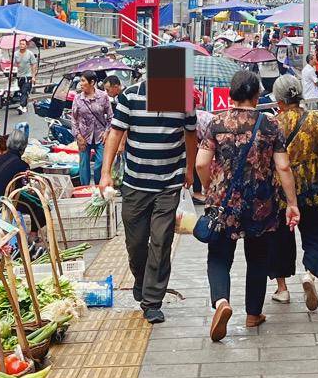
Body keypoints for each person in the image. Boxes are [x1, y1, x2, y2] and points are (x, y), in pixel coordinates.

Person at [197, 71, 298, 340]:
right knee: (258, 258)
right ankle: (253, 314)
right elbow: (284, 166)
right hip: (261, 202)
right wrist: (292, 203)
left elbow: (200, 163)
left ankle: (222, 303)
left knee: (219, 256)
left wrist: (210, 187)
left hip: (223, 203)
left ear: (231, 94)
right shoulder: (270, 125)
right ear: (256, 96)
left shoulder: (216, 122)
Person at [100, 71, 197, 325]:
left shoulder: (184, 100)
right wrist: (105, 173)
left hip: (169, 182)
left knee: (162, 239)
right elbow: (115, 134)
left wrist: (189, 169)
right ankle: (141, 279)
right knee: (136, 242)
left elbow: (190, 134)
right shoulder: (130, 97)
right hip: (135, 184)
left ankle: (152, 300)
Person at [269, 73, 318, 309]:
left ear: (278, 101)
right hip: (314, 188)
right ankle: (309, 274)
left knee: (279, 238)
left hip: (281, 189)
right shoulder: (317, 119)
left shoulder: (273, 124)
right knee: (316, 234)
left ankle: (282, 289)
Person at [70, 72, 112, 187]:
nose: (81, 84)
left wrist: (107, 132)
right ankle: (85, 188)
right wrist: (78, 136)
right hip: (83, 136)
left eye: (83, 81)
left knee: (100, 162)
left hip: (100, 135)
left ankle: (99, 187)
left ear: (92, 82)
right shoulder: (78, 98)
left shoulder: (103, 96)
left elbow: (110, 117)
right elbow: (73, 119)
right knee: (84, 164)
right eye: (81, 81)